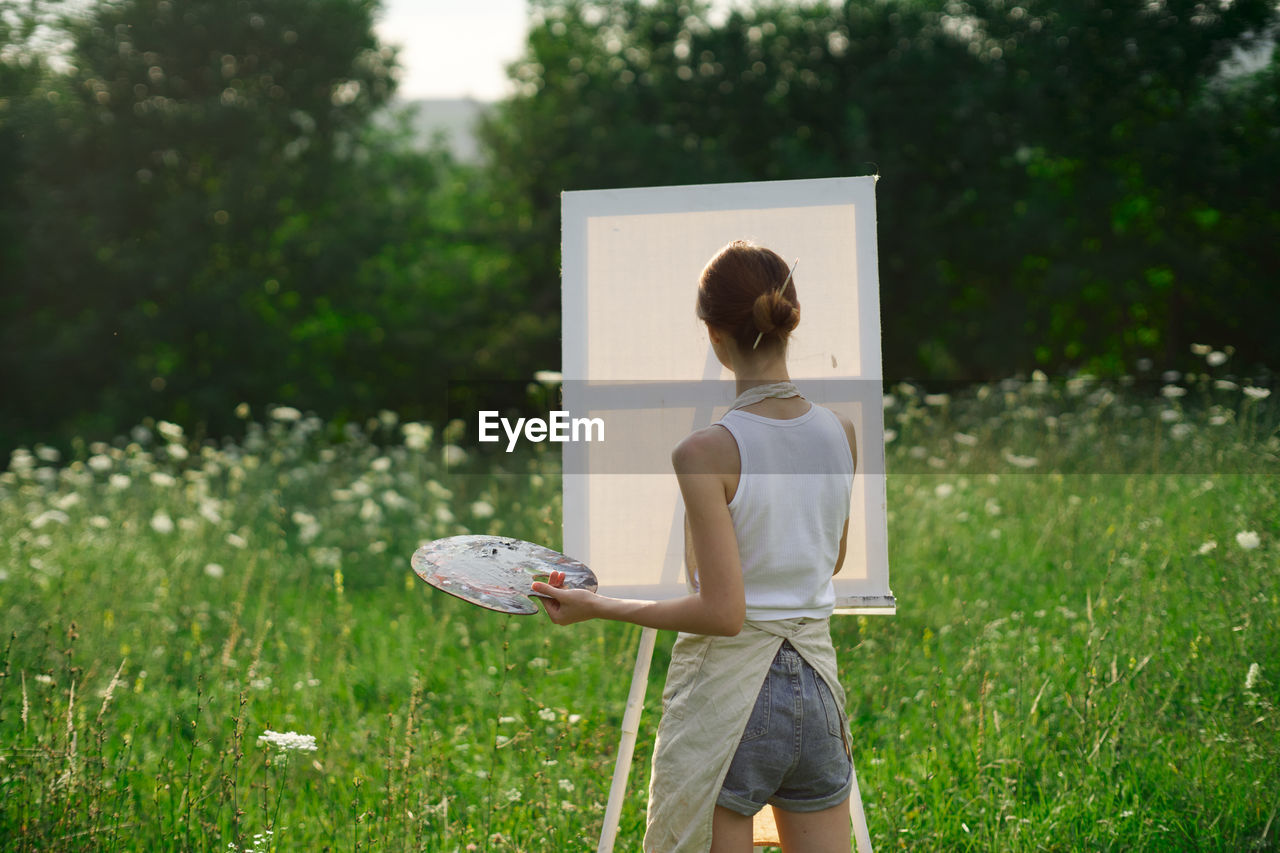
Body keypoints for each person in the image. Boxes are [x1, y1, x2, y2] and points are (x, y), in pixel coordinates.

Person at [533, 240, 858, 853]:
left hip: (734, 702)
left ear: (713, 335)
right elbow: (831, 560)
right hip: (818, 689)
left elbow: (722, 613)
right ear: (790, 320)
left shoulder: (705, 451)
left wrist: (597, 605)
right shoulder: (840, 432)